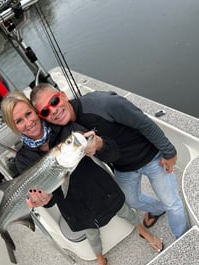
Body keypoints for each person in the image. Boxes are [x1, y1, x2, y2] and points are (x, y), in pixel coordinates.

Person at [1, 90, 163, 265]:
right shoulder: (23, 159)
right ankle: (101, 260)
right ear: (14, 126)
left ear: (36, 112)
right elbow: (49, 197)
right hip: (74, 206)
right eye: (19, 121)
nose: (28, 122)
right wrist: (44, 200)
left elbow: (113, 153)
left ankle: (143, 231)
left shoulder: (66, 129)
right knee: (91, 236)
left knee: (126, 212)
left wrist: (100, 144)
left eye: (29, 114)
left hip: (101, 188)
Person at [30, 83, 188, 239]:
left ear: (63, 95)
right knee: (131, 200)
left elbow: (144, 122)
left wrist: (169, 152)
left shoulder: (104, 103)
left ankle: (182, 238)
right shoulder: (63, 131)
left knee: (172, 204)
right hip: (122, 167)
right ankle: (157, 209)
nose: (53, 110)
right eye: (45, 111)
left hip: (152, 156)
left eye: (54, 101)